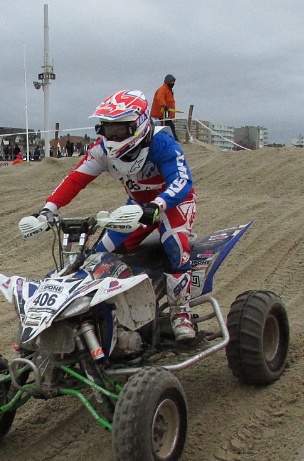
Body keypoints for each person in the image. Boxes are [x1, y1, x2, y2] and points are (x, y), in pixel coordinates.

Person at [32, 89, 199, 340]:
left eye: (120, 129)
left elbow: (182, 181)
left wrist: (159, 203)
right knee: (99, 254)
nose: (113, 135)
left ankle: (180, 313)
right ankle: (104, 314)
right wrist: (49, 209)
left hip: (172, 205)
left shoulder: (162, 143)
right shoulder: (102, 150)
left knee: (175, 244)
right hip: (136, 208)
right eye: (108, 129)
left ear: (139, 124)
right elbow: (76, 179)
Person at [151, 74, 179, 142]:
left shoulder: (169, 91)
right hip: (159, 115)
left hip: (166, 115)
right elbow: (159, 98)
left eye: (173, 82)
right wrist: (164, 105)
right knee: (165, 128)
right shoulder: (162, 89)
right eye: (172, 82)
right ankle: (174, 141)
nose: (173, 83)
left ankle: (173, 140)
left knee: (169, 127)